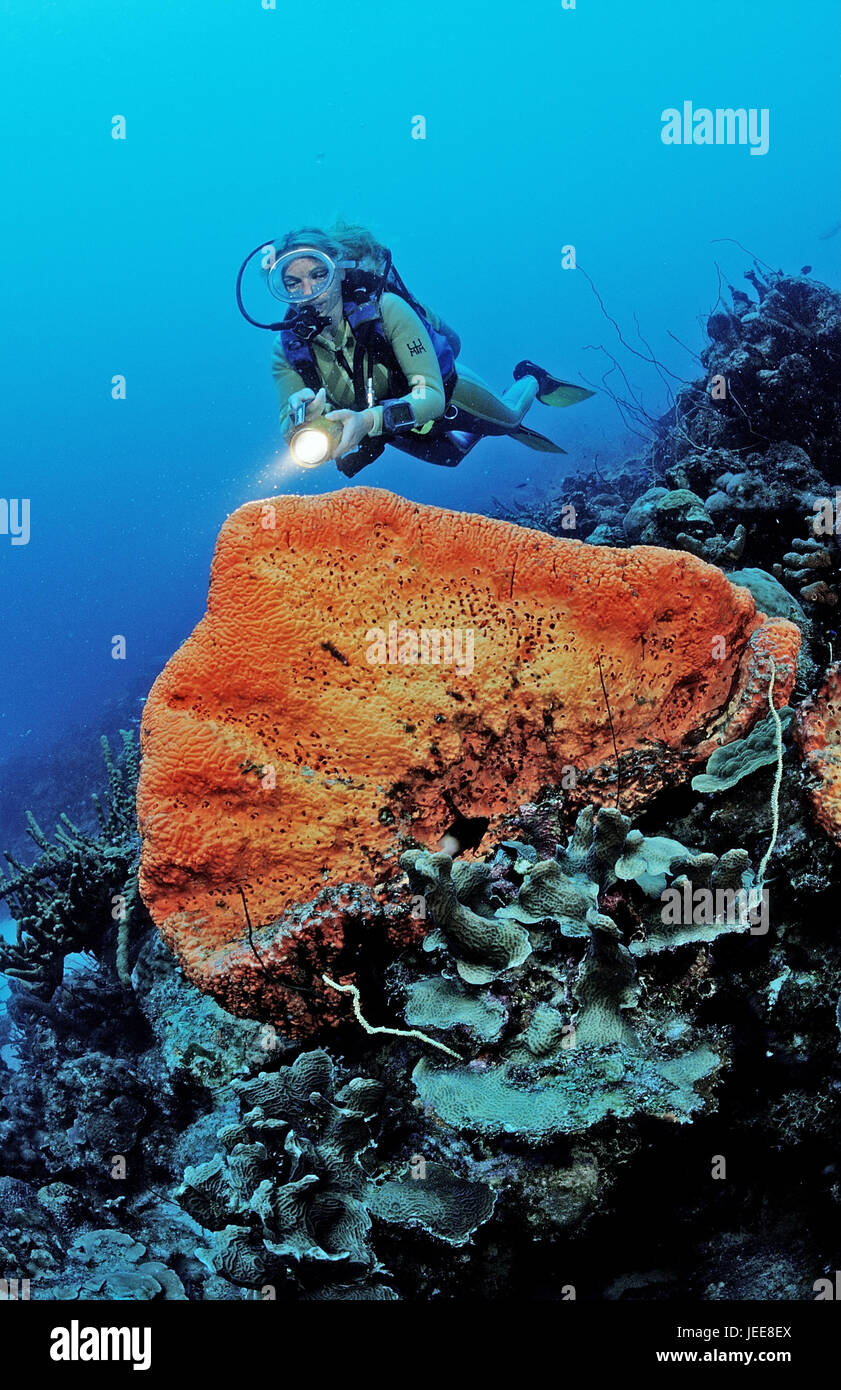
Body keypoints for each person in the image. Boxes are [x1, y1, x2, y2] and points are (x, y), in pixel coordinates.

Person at [267, 222, 593, 476]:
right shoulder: (287, 351)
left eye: (319, 274)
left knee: (508, 423)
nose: (309, 292)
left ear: (339, 269)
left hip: (445, 391)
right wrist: (299, 420)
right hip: (391, 421)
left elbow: (431, 397)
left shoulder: (387, 309)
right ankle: (472, 427)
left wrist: (366, 422)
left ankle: (532, 378)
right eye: (293, 283)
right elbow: (291, 432)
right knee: (452, 458)